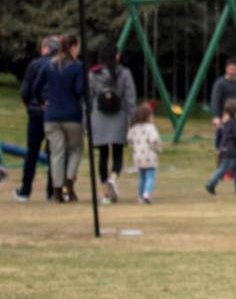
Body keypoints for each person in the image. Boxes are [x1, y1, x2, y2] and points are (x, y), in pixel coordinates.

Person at [32, 33, 85, 203]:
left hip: (52, 115)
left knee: (57, 153)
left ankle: (57, 190)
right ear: (73, 47)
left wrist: (43, 102)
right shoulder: (77, 67)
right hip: (72, 116)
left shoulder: (50, 65)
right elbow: (79, 90)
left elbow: (36, 87)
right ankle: (69, 182)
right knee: (75, 149)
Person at [90, 41, 137, 204]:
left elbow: (89, 97)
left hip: (99, 117)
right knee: (118, 152)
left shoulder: (94, 73)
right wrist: (132, 118)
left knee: (103, 155)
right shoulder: (124, 73)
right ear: (116, 55)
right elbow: (130, 98)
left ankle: (104, 192)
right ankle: (114, 177)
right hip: (118, 116)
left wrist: (88, 117)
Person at [15, 36, 59, 202]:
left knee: (31, 152)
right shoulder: (60, 65)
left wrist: (31, 106)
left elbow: (25, 90)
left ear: (46, 48)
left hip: (35, 113)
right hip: (54, 113)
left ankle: (25, 190)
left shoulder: (35, 64)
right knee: (53, 153)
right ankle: (50, 191)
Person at [205, 101, 236, 196]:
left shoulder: (228, 122)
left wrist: (220, 148)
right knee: (223, 169)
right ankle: (211, 184)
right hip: (230, 150)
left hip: (226, 149)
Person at [127, 104, 163, 204]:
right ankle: (146, 194)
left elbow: (129, 139)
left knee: (142, 177)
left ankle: (140, 196)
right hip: (150, 156)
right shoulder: (150, 128)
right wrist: (159, 148)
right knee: (150, 176)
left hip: (138, 156)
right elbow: (154, 139)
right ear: (148, 117)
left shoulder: (134, 128)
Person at [210, 59, 236, 140]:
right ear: (226, 69)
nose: (232, 71)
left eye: (234, 69)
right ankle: (220, 150)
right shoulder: (220, 83)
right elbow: (215, 100)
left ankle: (233, 150)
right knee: (223, 135)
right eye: (230, 69)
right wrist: (216, 116)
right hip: (224, 116)